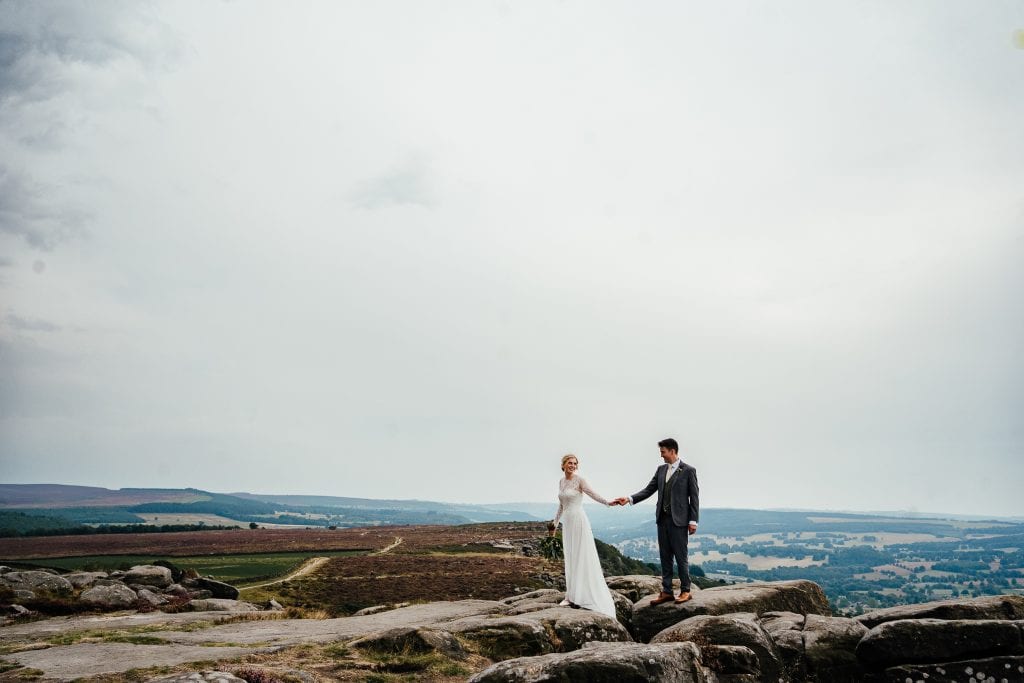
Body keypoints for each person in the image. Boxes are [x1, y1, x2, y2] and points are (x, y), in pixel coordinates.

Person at [613, 438, 699, 605]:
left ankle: (686, 591)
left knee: (681, 557)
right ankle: (667, 591)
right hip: (662, 519)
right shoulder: (661, 470)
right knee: (665, 557)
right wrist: (629, 498)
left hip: (679, 521)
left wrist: (693, 520)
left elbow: (694, 497)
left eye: (663, 452)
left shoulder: (688, 470)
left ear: (672, 451)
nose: (661, 456)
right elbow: (649, 490)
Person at [549, 453, 617, 619]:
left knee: (580, 556)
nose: (572, 465)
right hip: (568, 523)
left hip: (579, 521)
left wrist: (607, 502)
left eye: (575, 463)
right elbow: (561, 505)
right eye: (570, 463)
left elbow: (592, 493)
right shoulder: (561, 481)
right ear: (563, 464)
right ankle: (570, 595)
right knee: (570, 556)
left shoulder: (580, 480)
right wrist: (554, 524)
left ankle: (581, 596)